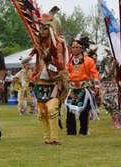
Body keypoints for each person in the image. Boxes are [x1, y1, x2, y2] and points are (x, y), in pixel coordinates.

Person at [31, 16, 68, 145]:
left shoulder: (59, 43)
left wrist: (50, 60)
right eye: (40, 28)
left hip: (55, 81)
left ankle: (55, 138)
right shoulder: (38, 44)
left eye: (45, 28)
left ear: (51, 29)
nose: (42, 30)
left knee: (52, 109)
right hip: (40, 82)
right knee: (41, 112)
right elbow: (36, 61)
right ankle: (46, 138)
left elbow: (61, 64)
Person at [65, 39, 100, 136]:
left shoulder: (89, 60)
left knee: (84, 111)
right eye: (73, 47)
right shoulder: (69, 61)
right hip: (73, 89)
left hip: (84, 89)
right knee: (70, 110)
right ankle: (71, 132)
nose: (74, 49)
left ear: (82, 49)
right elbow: (66, 73)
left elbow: (95, 74)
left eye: (77, 47)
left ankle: (83, 131)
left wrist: (96, 85)